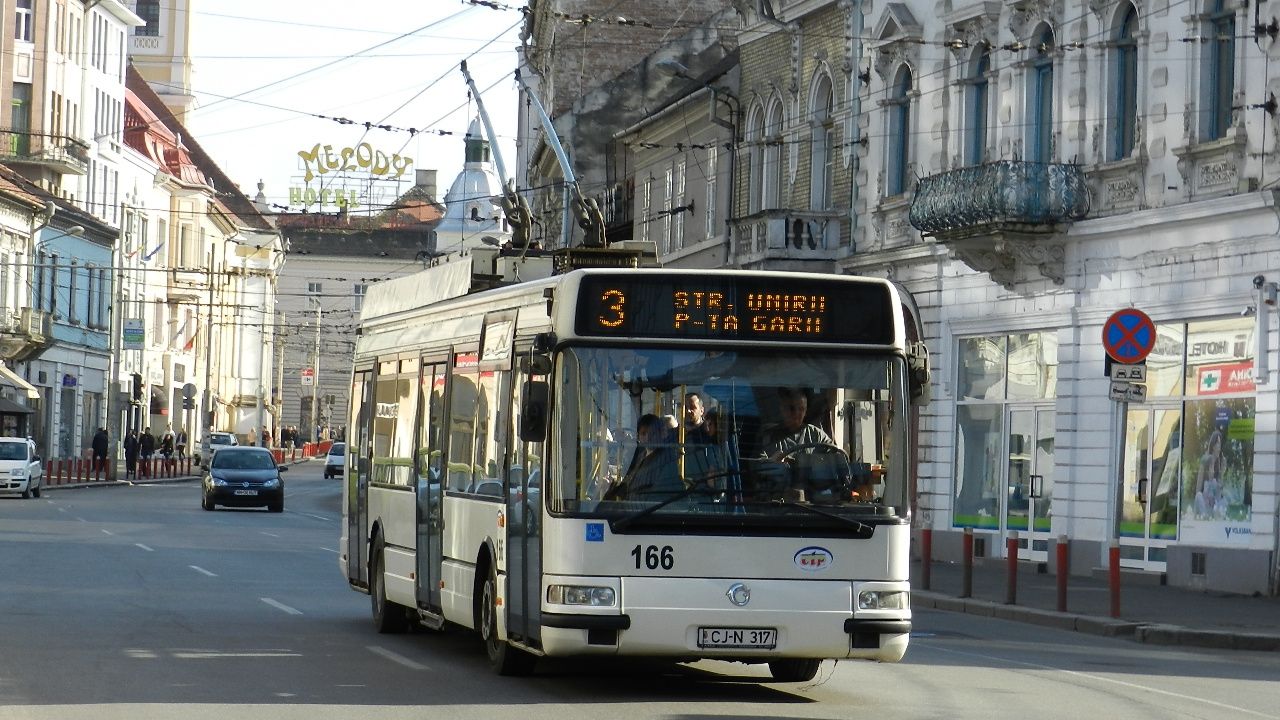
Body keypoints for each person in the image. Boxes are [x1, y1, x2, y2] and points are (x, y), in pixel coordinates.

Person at [604, 414, 683, 501]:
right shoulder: (642, 455)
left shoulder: (666, 458)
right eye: (644, 433)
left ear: (661, 433)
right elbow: (632, 483)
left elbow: (656, 493)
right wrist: (615, 489)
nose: (648, 437)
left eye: (653, 433)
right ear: (638, 436)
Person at [760, 387, 835, 460]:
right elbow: (757, 465)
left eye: (801, 409)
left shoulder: (818, 436)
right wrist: (773, 461)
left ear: (805, 412)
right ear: (782, 409)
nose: (796, 413)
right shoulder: (769, 437)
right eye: (792, 408)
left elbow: (836, 458)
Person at [1194, 430, 1224, 518]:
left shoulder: (1218, 463)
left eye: (1220, 443)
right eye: (1217, 443)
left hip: (1212, 503)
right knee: (1199, 495)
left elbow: (1218, 491)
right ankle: (1205, 516)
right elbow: (1198, 489)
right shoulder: (1205, 460)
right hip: (1202, 501)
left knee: (1223, 501)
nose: (1219, 446)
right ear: (1213, 445)